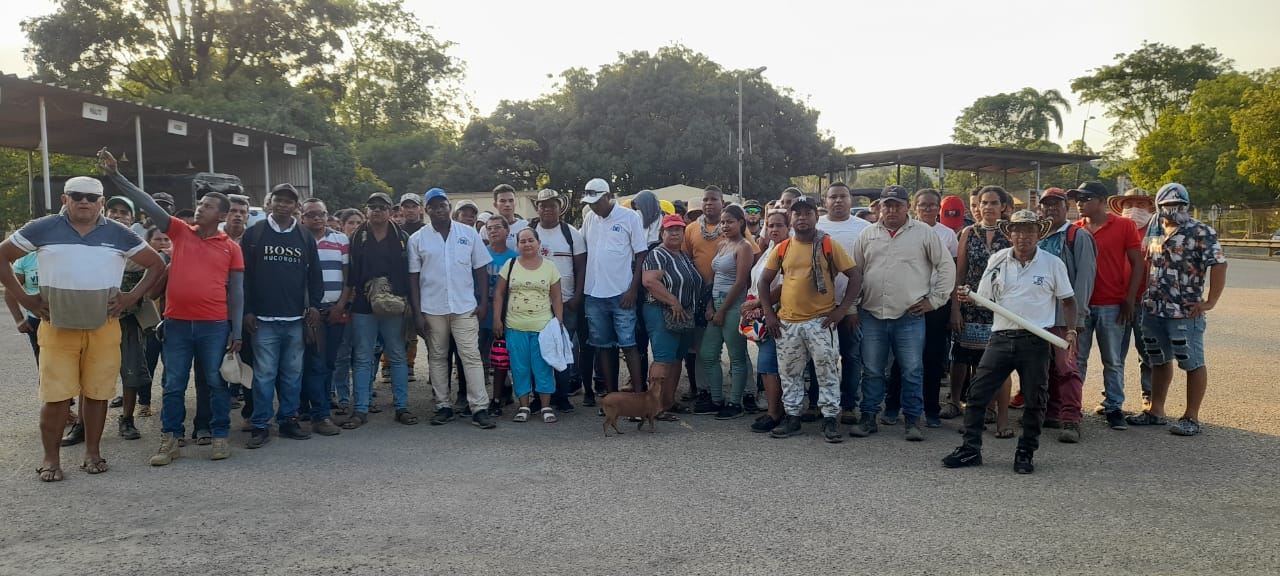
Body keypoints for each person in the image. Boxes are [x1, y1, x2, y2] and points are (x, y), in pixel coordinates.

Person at [0, 176, 164, 482]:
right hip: (57, 326)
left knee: (97, 393)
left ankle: (92, 453)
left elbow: (156, 264)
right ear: (65, 199)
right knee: (56, 396)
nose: (84, 201)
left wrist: (131, 297)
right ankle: (51, 460)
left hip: (104, 327)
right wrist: (24, 299)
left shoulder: (119, 233)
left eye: (91, 197)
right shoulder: (43, 227)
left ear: (101, 202)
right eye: (77, 196)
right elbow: (3, 255)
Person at [101, 149, 243, 466]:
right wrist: (116, 176)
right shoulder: (180, 231)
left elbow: (237, 292)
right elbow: (148, 203)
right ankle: (170, 438)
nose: (200, 208)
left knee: (216, 383)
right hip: (177, 324)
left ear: (221, 215)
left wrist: (235, 330)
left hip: (214, 326)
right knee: (174, 384)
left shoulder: (231, 248)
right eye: (200, 204)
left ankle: (219, 436)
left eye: (207, 206)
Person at [942, 210, 1076, 474]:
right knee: (978, 394)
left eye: (1029, 230)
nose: (1023, 236)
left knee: (1036, 399)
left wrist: (1071, 331)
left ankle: (1025, 452)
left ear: (1039, 233)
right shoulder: (998, 259)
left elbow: (1069, 301)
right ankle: (970, 449)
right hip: (1001, 337)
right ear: (1009, 233)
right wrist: (968, 297)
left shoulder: (1052, 263)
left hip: (1036, 340)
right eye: (1017, 230)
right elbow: (983, 297)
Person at [848, 185, 955, 441]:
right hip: (872, 313)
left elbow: (946, 266)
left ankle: (912, 421)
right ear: (879, 207)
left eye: (897, 205)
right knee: (872, 369)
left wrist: (935, 300)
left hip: (910, 315)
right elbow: (856, 273)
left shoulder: (924, 234)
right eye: (887, 205)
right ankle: (868, 417)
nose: (892, 209)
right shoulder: (867, 234)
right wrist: (852, 307)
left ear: (907, 206)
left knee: (912, 369)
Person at [1125, 183, 1227, 436]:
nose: (1174, 210)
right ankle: (1155, 411)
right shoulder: (1154, 228)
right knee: (1157, 359)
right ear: (1159, 207)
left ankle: (1191, 417)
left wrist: (1210, 302)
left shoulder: (1201, 231)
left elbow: (1219, 265)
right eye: (1168, 205)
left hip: (1185, 310)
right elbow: (1147, 261)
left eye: (1179, 205)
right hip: (1153, 307)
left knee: (1192, 361)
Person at [758, 196, 862, 442]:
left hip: (820, 321)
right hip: (787, 323)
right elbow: (764, 281)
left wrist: (842, 310)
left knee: (826, 372)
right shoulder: (783, 248)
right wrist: (769, 314)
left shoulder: (828, 245)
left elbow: (855, 276)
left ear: (816, 217)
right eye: (797, 214)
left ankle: (829, 420)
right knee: (789, 374)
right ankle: (792, 417)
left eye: (807, 213)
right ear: (791, 219)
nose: (802, 218)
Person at [240, 184, 324, 448]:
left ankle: (288, 420)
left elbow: (314, 275)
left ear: (296, 206)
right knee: (264, 374)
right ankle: (261, 425)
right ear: (269, 203)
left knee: (292, 374)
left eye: (289, 201)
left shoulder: (304, 236)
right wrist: (248, 310)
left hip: (295, 320)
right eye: (279, 200)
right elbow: (244, 278)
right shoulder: (254, 234)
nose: (283, 205)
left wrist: (314, 306)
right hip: (263, 319)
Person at [409, 188, 497, 429]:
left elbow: (480, 269)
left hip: (464, 306)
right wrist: (417, 313)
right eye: (433, 206)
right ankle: (443, 406)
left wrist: (484, 302)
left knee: (471, 357)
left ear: (449, 207)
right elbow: (414, 279)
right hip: (432, 308)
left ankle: (479, 408)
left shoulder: (468, 233)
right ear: (426, 210)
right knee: (437, 357)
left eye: (442, 205)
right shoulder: (417, 239)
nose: (438, 210)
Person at [1071, 181, 1143, 431]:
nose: (1079, 203)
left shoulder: (1124, 225)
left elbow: (1137, 264)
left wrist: (1130, 299)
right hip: (1083, 305)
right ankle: (1072, 406)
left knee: (1112, 359)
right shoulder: (1075, 229)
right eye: (1077, 198)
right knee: (1077, 359)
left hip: (1112, 303)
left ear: (1102, 201)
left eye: (1086, 198)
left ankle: (1113, 406)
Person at [947, 186, 1013, 437]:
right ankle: (956, 402)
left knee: (995, 362)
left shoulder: (1010, 234)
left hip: (1000, 307)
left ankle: (994, 411)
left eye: (994, 203)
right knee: (963, 356)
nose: (987, 207)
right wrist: (955, 308)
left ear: (1003, 206)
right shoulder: (968, 232)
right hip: (970, 304)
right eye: (983, 202)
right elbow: (960, 272)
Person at [343, 192, 412, 430]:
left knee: (397, 355)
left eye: (382, 207)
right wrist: (347, 300)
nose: (377, 211)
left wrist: (407, 302)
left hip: (393, 302)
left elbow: (408, 271)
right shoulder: (357, 237)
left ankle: (402, 406)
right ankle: (360, 408)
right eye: (373, 206)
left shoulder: (401, 237)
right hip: (363, 302)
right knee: (362, 356)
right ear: (366, 210)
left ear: (390, 211)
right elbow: (351, 272)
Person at [1035, 188, 1096, 443]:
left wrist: (1078, 318)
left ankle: (1071, 419)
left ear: (1066, 206)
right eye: (1046, 205)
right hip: (1039, 315)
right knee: (1044, 367)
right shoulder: (1036, 235)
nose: (1051, 209)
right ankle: (1051, 411)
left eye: (1056, 204)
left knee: (1067, 367)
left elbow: (1084, 278)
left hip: (1064, 316)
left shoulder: (1077, 236)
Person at [581, 178, 647, 398]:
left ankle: (638, 397)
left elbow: (641, 255)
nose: (592, 206)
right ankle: (612, 398)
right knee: (603, 346)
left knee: (629, 345)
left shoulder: (630, 217)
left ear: (608, 197)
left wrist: (633, 290)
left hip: (622, 293)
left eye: (596, 202)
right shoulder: (590, 218)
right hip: (594, 293)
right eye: (589, 202)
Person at [104, 196, 164, 441]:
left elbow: (156, 265)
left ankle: (127, 419)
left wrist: (133, 295)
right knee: (89, 373)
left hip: (128, 321)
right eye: (113, 211)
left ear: (131, 218)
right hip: (93, 320)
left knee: (131, 370)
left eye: (123, 212)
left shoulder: (136, 245)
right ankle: (84, 424)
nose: (118, 216)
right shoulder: (91, 242)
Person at [492, 228, 565, 423]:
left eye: (531, 240)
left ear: (539, 243)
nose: (527, 244)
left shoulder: (550, 267)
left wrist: (558, 321)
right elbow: (499, 293)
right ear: (517, 246)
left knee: (542, 367)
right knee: (519, 367)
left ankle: (545, 407)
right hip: (515, 326)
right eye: (522, 241)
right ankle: (523, 406)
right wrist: (497, 319)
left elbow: (557, 295)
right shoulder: (510, 264)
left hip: (543, 327)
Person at [641, 214, 704, 421]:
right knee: (663, 359)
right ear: (662, 233)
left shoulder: (683, 255)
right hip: (661, 311)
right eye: (670, 230)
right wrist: (673, 301)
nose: (675, 233)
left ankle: (667, 402)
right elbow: (649, 281)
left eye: (679, 229)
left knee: (676, 359)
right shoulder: (658, 254)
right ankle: (653, 406)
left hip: (683, 315)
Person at [529, 189, 586, 412]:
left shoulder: (572, 234)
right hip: (536, 304)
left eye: (552, 205)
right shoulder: (530, 231)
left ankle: (562, 396)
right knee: (538, 351)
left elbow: (581, 267)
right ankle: (539, 396)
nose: (547, 209)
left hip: (566, 302)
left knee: (563, 351)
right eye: (543, 205)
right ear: (537, 208)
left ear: (559, 207)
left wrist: (577, 296)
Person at [817, 182, 870, 424]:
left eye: (843, 197)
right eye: (833, 197)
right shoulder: (815, 227)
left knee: (850, 356)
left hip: (851, 305)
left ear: (850, 200)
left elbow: (866, 269)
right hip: (818, 304)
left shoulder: (865, 228)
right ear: (825, 201)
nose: (838, 201)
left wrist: (855, 305)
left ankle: (849, 404)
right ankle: (815, 401)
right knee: (817, 356)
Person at [298, 198, 348, 436]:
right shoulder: (298, 239)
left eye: (321, 214)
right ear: (303, 217)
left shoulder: (341, 240)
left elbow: (349, 277)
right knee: (314, 363)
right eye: (311, 214)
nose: (317, 218)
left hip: (335, 310)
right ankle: (319, 414)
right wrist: (310, 308)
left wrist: (340, 305)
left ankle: (322, 405)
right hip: (309, 311)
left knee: (328, 362)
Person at [699, 204, 755, 419]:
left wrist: (722, 310)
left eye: (730, 221)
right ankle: (716, 398)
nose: (725, 225)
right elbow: (714, 276)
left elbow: (741, 282)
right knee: (708, 353)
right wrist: (710, 305)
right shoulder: (722, 245)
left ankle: (734, 403)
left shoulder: (744, 247)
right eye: (723, 222)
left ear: (741, 222)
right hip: (717, 303)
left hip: (733, 304)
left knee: (736, 356)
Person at [1108, 187, 1157, 407]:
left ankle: (1151, 396)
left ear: (1150, 208)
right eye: (1128, 205)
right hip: (1117, 300)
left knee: (1148, 351)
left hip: (1147, 302)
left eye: (1139, 205)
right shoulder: (1117, 230)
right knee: (1114, 353)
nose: (1133, 209)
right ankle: (1111, 396)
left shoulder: (1157, 232)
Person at [746, 210, 788, 433]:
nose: (774, 229)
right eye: (770, 225)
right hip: (762, 312)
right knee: (768, 366)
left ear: (787, 227)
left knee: (769, 364)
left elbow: (783, 286)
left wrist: (756, 305)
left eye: (779, 225)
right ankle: (776, 408)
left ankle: (775, 412)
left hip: (776, 314)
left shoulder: (788, 249)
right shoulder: (769, 249)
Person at [481, 216, 518, 413]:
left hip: (505, 313)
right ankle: (481, 397)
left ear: (507, 231)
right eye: (489, 228)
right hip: (483, 312)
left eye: (497, 228)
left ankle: (505, 393)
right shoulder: (481, 254)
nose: (493, 231)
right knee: (481, 357)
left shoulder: (515, 257)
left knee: (502, 357)